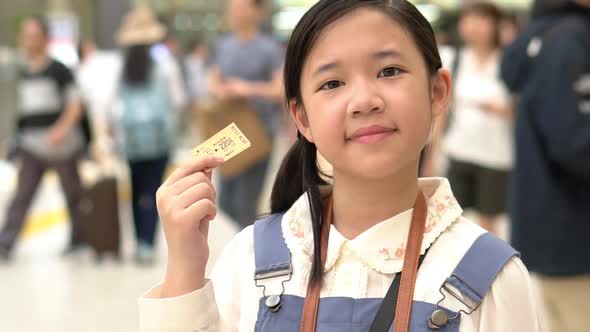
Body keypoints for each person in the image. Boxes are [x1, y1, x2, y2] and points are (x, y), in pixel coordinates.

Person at [138, 1, 542, 331]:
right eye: (332, 83)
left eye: (389, 71)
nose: (365, 100)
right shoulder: (251, 257)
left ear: (437, 92)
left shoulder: (490, 274)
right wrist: (185, 270)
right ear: (302, 118)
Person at [500, 1, 590, 331]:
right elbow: (575, 141)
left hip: (550, 221)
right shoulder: (570, 39)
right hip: (575, 229)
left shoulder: (539, 36)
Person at [0, 17, 85, 261]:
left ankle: (79, 239)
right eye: (25, 35)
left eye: (34, 35)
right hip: (31, 145)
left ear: (45, 38)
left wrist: (61, 130)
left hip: (62, 145)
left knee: (72, 194)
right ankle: (6, 241)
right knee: (22, 194)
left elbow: (75, 105)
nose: (29, 41)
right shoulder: (22, 71)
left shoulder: (60, 70)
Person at [434, 2, 514, 234]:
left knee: (488, 224)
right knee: (452, 219)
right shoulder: (453, 58)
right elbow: (442, 110)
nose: (473, 26)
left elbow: (524, 108)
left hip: (496, 154)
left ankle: (488, 269)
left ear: (495, 25)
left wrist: (501, 110)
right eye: (468, 19)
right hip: (459, 150)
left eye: (481, 19)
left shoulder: (508, 61)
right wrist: (434, 152)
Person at [114, 7, 185, 265]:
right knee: (155, 191)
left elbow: (113, 106)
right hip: (158, 139)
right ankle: (147, 243)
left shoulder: (121, 69)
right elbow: (177, 101)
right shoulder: (164, 66)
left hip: (131, 141)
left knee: (134, 191)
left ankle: (136, 243)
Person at [208, 0, 284, 228]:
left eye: (241, 6)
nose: (235, 12)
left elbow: (280, 88)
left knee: (246, 201)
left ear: (257, 12)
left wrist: (246, 88)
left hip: (258, 132)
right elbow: (213, 77)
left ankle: (249, 254)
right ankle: (247, 242)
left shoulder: (269, 48)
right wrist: (218, 88)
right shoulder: (224, 45)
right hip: (228, 131)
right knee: (225, 201)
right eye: (232, 7)